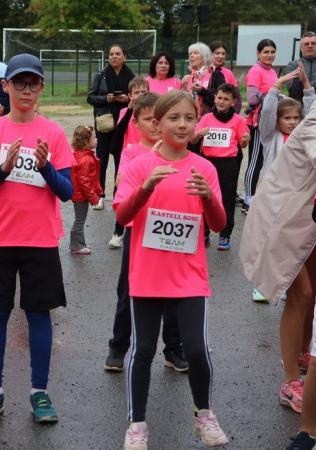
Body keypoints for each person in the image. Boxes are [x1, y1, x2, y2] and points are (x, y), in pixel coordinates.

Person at [114, 91, 228, 449]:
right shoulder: (139, 166)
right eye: (173, 118)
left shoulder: (204, 167)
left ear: (197, 124)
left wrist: (209, 197)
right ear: (157, 123)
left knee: (196, 349)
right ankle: (137, 425)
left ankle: (204, 414)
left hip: (189, 276)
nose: (182, 124)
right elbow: (121, 216)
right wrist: (146, 189)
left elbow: (219, 222)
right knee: (143, 350)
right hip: (147, 276)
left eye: (189, 118)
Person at [0, 54, 73, 424]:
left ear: (41, 88)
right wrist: (3, 169)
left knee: (38, 314)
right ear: (7, 86)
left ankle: (39, 393)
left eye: (33, 84)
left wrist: (45, 168)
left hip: (41, 240)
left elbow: (66, 192)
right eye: (19, 83)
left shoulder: (54, 133)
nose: (26, 90)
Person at [240, 98, 316, 427]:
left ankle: (304, 357)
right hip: (283, 218)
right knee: (300, 294)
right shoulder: (314, 125)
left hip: (307, 220)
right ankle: (290, 381)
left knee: (312, 295)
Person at [104, 92, 186, 374]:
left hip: (173, 230)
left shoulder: (178, 151)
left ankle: (173, 348)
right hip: (138, 231)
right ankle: (118, 346)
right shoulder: (130, 153)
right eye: (148, 119)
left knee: (175, 291)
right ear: (136, 123)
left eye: (158, 119)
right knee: (128, 290)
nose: (154, 124)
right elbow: (123, 180)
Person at [194, 84, 250, 250]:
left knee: (227, 199)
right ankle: (204, 231)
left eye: (226, 99)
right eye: (219, 98)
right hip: (207, 162)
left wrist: (245, 139)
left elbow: (243, 144)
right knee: (204, 197)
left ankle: (225, 234)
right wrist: (198, 134)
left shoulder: (238, 120)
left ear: (233, 102)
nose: (221, 101)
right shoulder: (206, 118)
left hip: (228, 164)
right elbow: (193, 140)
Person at [87, 44, 135, 210]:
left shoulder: (131, 76)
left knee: (121, 160)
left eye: (118, 54)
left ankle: (118, 196)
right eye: (111, 54)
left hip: (124, 124)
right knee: (102, 159)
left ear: (124, 57)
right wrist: (105, 99)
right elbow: (91, 97)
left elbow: (139, 98)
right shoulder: (101, 75)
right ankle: (99, 196)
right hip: (105, 123)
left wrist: (127, 100)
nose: (114, 57)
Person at [107, 76, 150, 248]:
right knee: (123, 192)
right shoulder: (125, 112)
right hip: (129, 158)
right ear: (129, 95)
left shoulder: (154, 112)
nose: (139, 95)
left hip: (148, 156)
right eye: (136, 92)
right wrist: (131, 110)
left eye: (143, 92)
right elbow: (118, 135)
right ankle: (118, 230)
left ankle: (143, 226)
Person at [243, 39, 278, 211]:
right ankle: (248, 197)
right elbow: (252, 99)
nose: (269, 55)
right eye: (266, 52)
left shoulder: (272, 71)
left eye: (272, 52)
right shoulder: (256, 70)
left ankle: (257, 195)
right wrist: (270, 93)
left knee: (265, 160)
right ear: (258, 53)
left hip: (269, 121)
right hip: (257, 123)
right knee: (255, 160)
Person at [69, 125, 101, 255]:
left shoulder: (78, 155)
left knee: (80, 219)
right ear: (86, 142)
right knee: (80, 220)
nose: (96, 139)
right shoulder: (86, 159)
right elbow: (84, 182)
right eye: (93, 138)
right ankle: (76, 246)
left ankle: (79, 243)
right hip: (81, 196)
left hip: (78, 194)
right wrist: (93, 197)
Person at [181, 42, 215, 115]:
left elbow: (218, 101)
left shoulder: (214, 75)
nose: (191, 56)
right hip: (191, 119)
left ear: (204, 56)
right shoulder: (190, 77)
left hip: (209, 119)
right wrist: (183, 88)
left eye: (195, 53)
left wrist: (202, 91)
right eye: (190, 54)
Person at [285, 31, 316, 103]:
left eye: (313, 43)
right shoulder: (293, 65)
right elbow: (291, 89)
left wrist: (303, 81)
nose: (310, 46)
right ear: (301, 48)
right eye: (306, 44)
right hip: (299, 106)